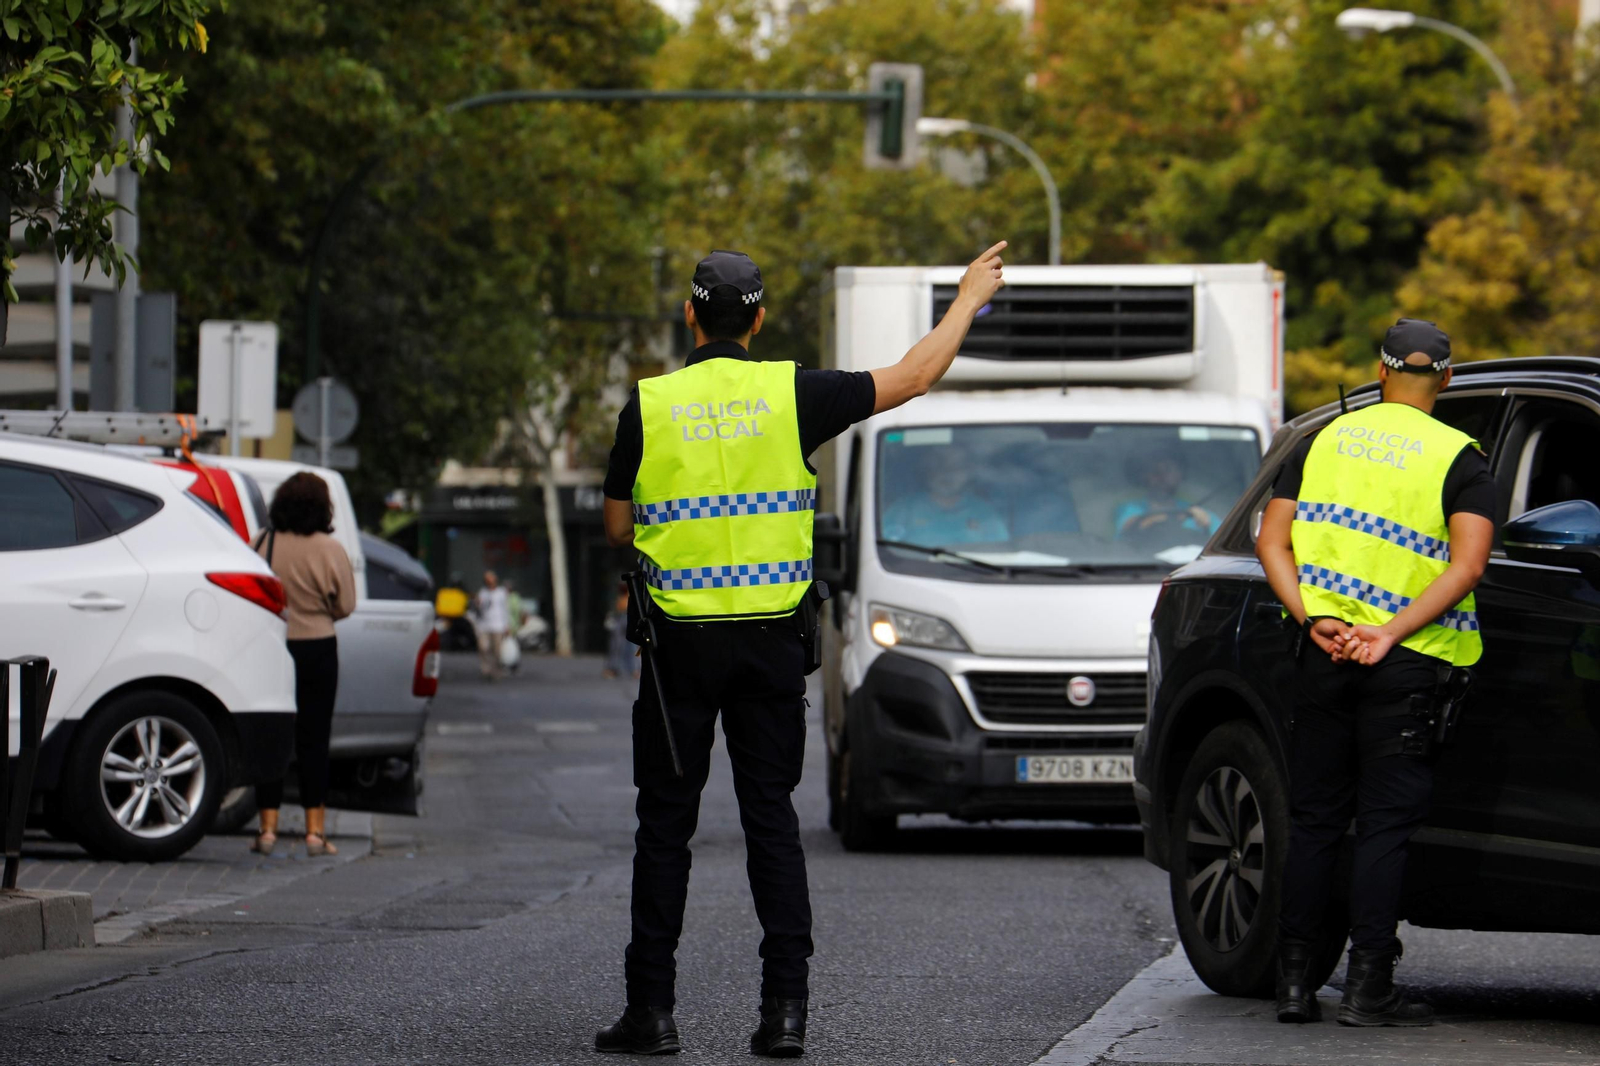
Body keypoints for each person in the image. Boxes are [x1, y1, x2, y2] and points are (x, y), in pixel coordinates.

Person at [594, 243, 1006, 1057]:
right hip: (771, 643)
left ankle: (652, 1012)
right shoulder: (796, 393)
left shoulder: (650, 404)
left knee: (664, 828)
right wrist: (966, 298)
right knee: (771, 824)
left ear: (689, 315)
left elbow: (616, 526)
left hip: (679, 648)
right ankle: (784, 1013)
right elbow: (914, 376)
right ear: (759, 318)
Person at [1255, 318, 1494, 1028]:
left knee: (1315, 819)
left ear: (1381, 370)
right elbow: (1468, 567)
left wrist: (1313, 619)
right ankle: (1367, 988)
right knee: (1384, 827)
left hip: (1323, 654)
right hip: (1407, 662)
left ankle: (1294, 985)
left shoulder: (1323, 438)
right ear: (1446, 378)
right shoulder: (1459, 457)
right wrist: (1388, 632)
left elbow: (1271, 542)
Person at [251, 472, 357, 858]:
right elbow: (346, 605)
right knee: (315, 738)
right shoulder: (331, 549)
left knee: (270, 736)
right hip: (318, 647)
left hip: (271, 646)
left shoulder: (262, 542)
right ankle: (315, 832)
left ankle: (267, 829)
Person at [880, 448, 1009, 547]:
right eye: (939, 465)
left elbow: (1001, 550)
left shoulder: (983, 512)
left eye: (957, 467)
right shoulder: (905, 509)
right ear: (927, 470)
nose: (947, 473)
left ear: (968, 473)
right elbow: (885, 550)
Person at [1114, 451, 1218, 545]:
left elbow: (1222, 541)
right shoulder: (1130, 508)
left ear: (1180, 475)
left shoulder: (1198, 512)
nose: (1161, 476)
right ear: (1145, 476)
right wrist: (1175, 517)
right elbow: (1127, 530)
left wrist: (1206, 523)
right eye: (1155, 471)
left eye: (1168, 470)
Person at [473, 570, 509, 680]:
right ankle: (486, 669)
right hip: (484, 625)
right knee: (483, 647)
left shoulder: (501, 593)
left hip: (498, 625)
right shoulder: (483, 593)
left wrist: (507, 625)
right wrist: (477, 603)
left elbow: (505, 609)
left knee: (497, 651)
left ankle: (496, 671)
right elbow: (479, 609)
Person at [603, 583, 637, 680]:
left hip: (628, 616)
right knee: (616, 645)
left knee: (631, 646)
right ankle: (613, 668)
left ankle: (634, 669)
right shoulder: (619, 598)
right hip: (620, 617)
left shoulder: (630, 596)